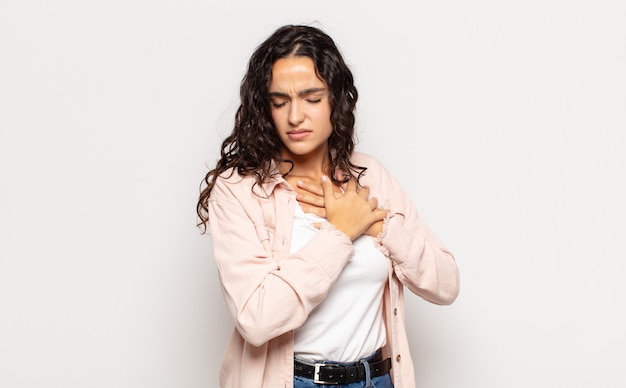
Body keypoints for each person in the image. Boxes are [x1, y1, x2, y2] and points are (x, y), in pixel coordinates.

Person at [197, 24, 460, 388]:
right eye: (279, 101)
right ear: (265, 107)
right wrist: (339, 233)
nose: (294, 116)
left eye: (311, 98)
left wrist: (378, 226)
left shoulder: (371, 178)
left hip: (375, 379)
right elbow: (256, 319)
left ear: (336, 99)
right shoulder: (240, 190)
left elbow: (445, 284)